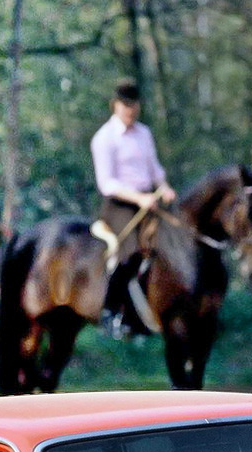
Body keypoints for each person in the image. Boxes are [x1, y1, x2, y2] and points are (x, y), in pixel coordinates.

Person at [89, 80, 176, 337]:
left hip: (150, 199)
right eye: (126, 105)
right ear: (115, 105)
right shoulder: (104, 138)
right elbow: (107, 183)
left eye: (134, 104)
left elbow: (155, 170)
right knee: (130, 252)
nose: (131, 110)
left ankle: (159, 309)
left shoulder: (144, 134)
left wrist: (164, 186)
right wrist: (139, 198)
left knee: (175, 239)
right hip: (121, 205)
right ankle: (111, 310)